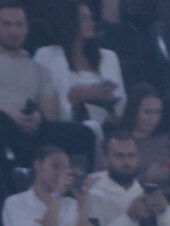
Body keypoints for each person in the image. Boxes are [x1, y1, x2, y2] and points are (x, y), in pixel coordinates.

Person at [0, 1, 83, 169]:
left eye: (19, 25)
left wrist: (38, 118)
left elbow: (50, 114)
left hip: (28, 130)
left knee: (82, 134)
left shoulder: (39, 69)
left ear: (27, 28)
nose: (14, 31)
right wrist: (8, 115)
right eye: (7, 24)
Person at [37, 0, 125, 136]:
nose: (92, 23)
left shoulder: (109, 57)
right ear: (70, 22)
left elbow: (120, 100)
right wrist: (82, 94)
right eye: (84, 18)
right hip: (69, 129)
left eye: (91, 17)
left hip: (108, 128)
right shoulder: (46, 56)